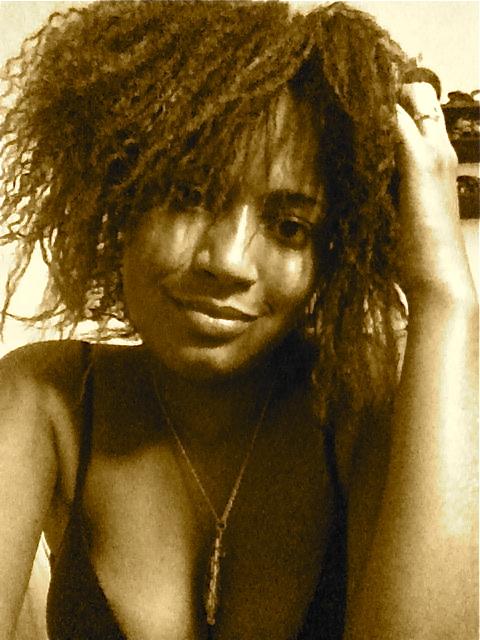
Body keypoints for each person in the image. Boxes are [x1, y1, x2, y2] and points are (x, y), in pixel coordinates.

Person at [0, 2, 477, 639]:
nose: (227, 261)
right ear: (117, 199)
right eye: (188, 196)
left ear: (332, 251)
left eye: (290, 227)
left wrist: (444, 295)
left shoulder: (366, 404)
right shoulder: (45, 398)